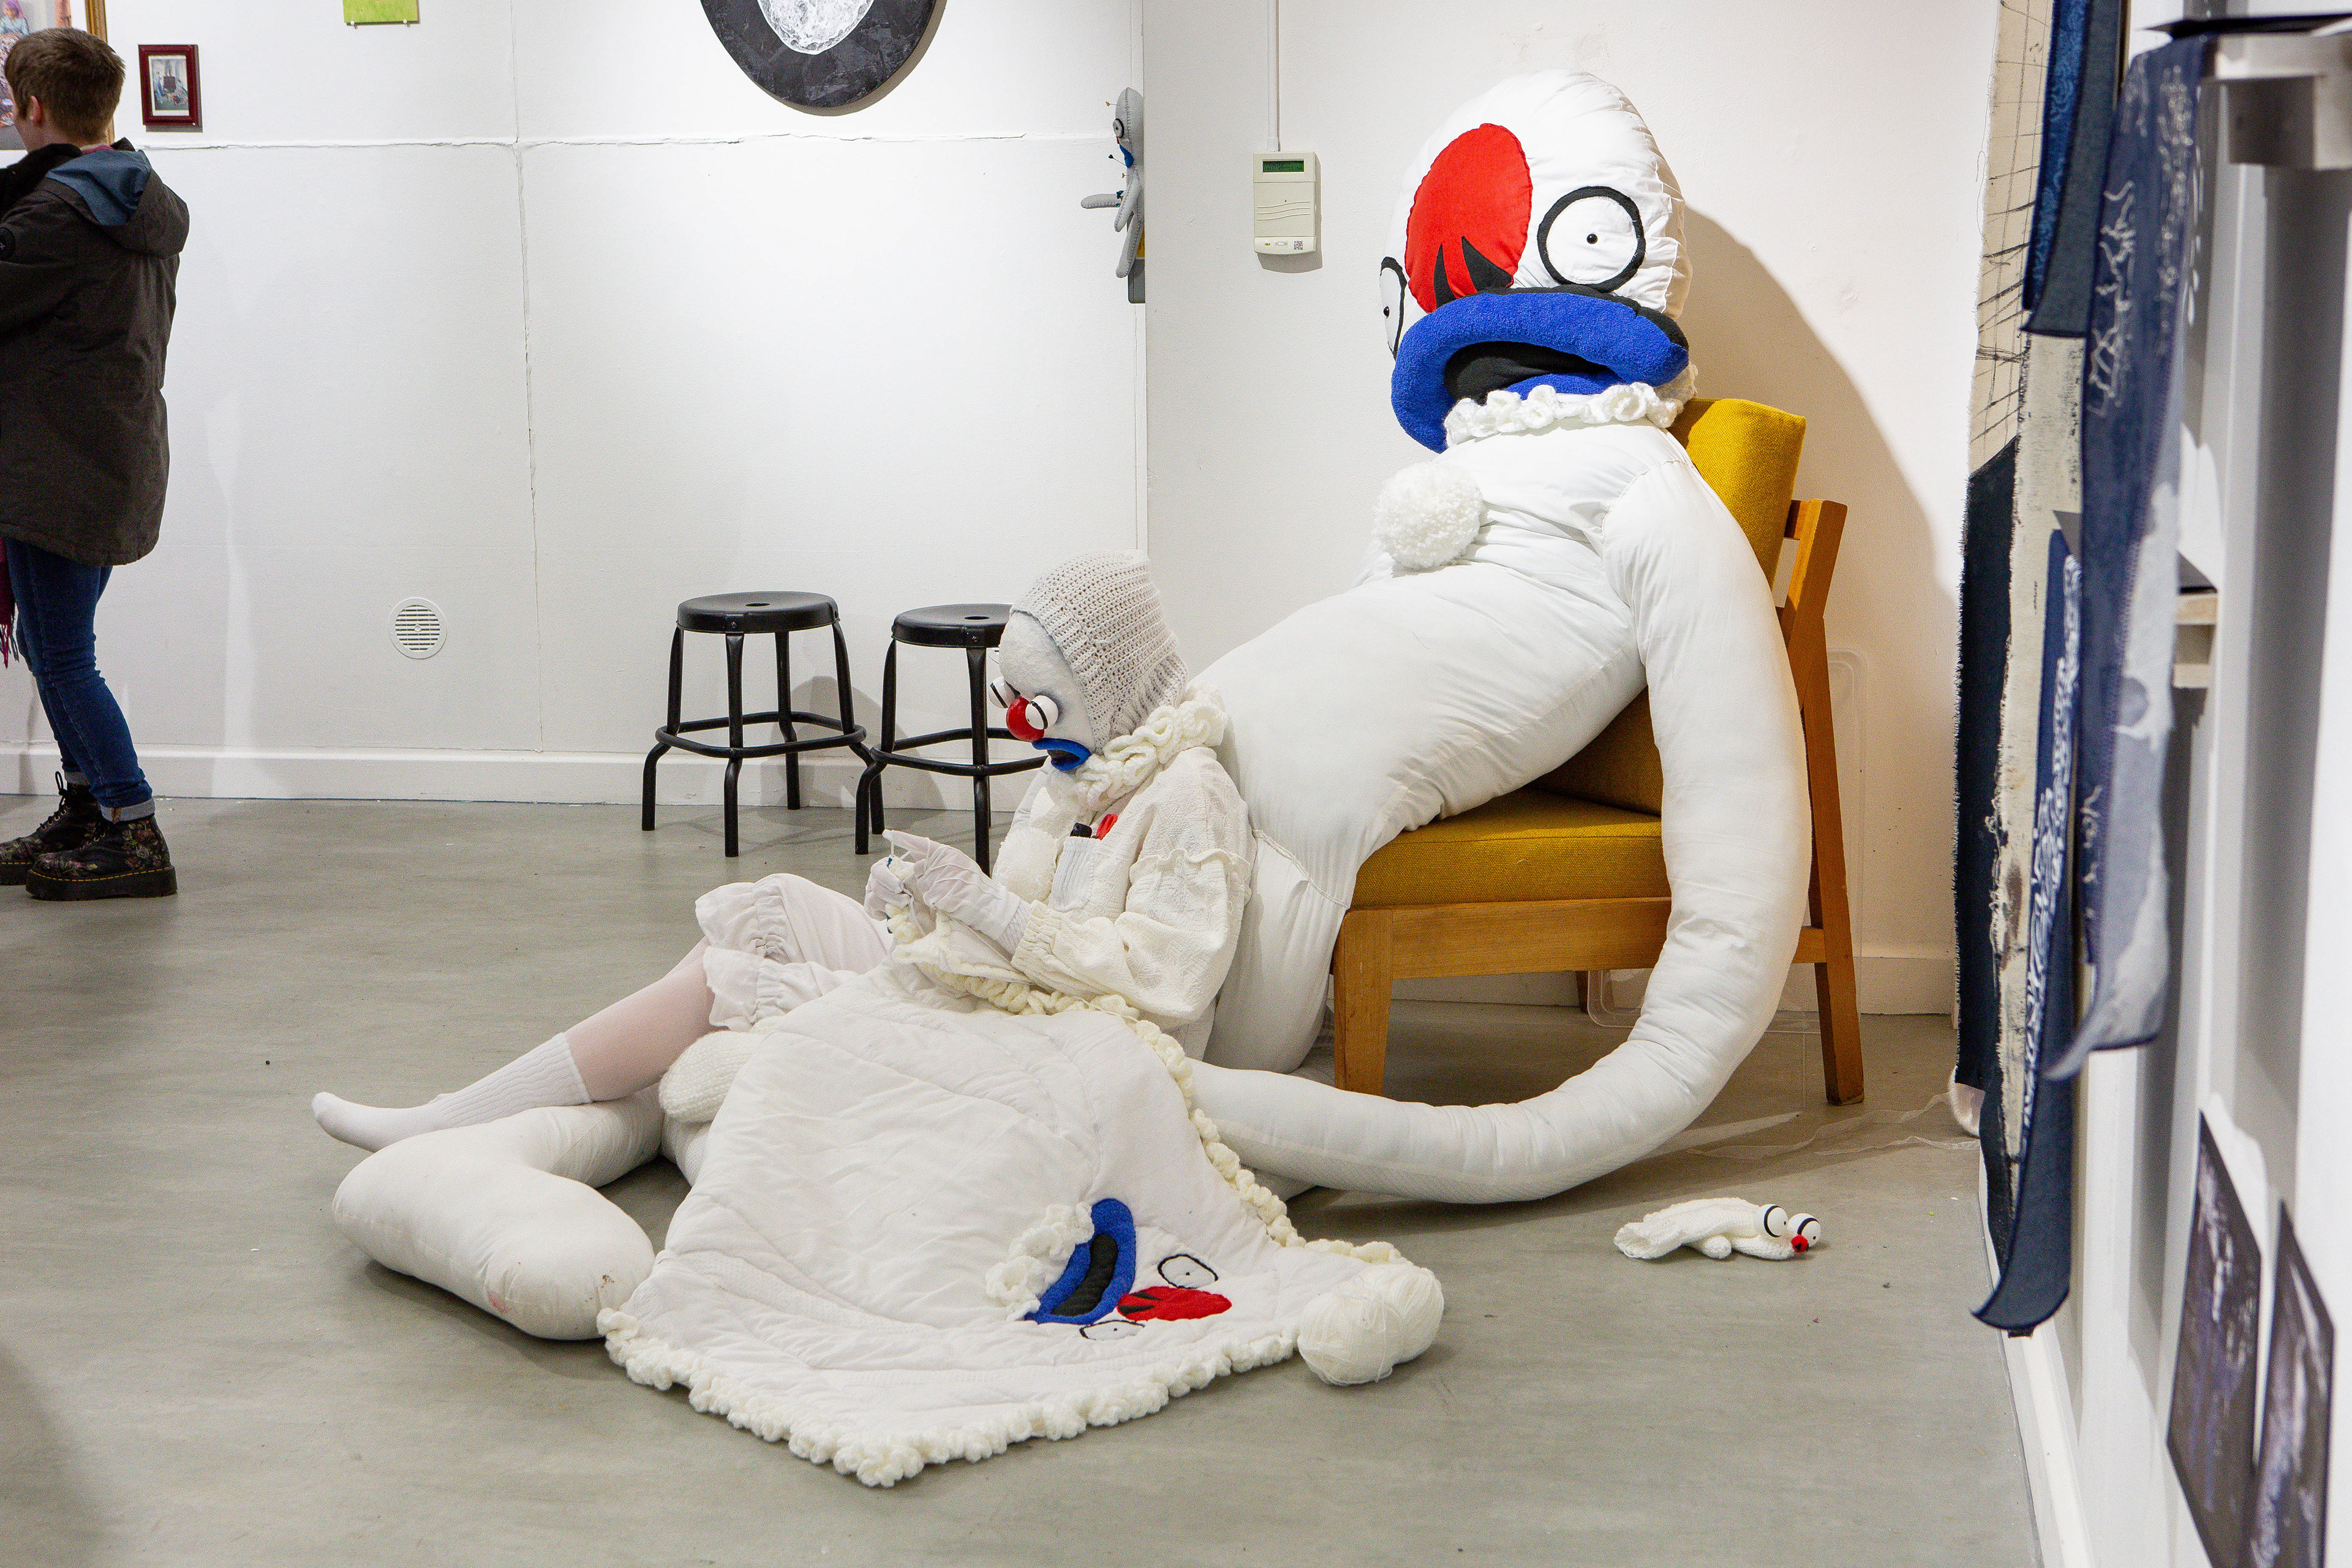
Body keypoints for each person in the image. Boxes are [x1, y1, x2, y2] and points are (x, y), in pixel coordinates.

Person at [314, 552, 1252, 1152]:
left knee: (720, 979)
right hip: (1001, 985)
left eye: (1038, 707)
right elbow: (1013, 914)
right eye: (1012, 700)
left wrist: (988, 909)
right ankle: (517, 1110)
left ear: (1109, 685)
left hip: (1065, 1037)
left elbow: (1167, 980)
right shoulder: (1082, 770)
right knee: (775, 901)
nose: (1020, 728)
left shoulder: (1186, 792)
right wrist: (922, 901)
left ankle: (456, 1121)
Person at [0, 28, 187, 900]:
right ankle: (87, 812)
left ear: (33, 107)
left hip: (55, 468)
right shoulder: (136, 193)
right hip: (110, 454)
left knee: (65, 656)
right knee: (54, 646)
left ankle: (131, 825)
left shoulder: (51, 217)